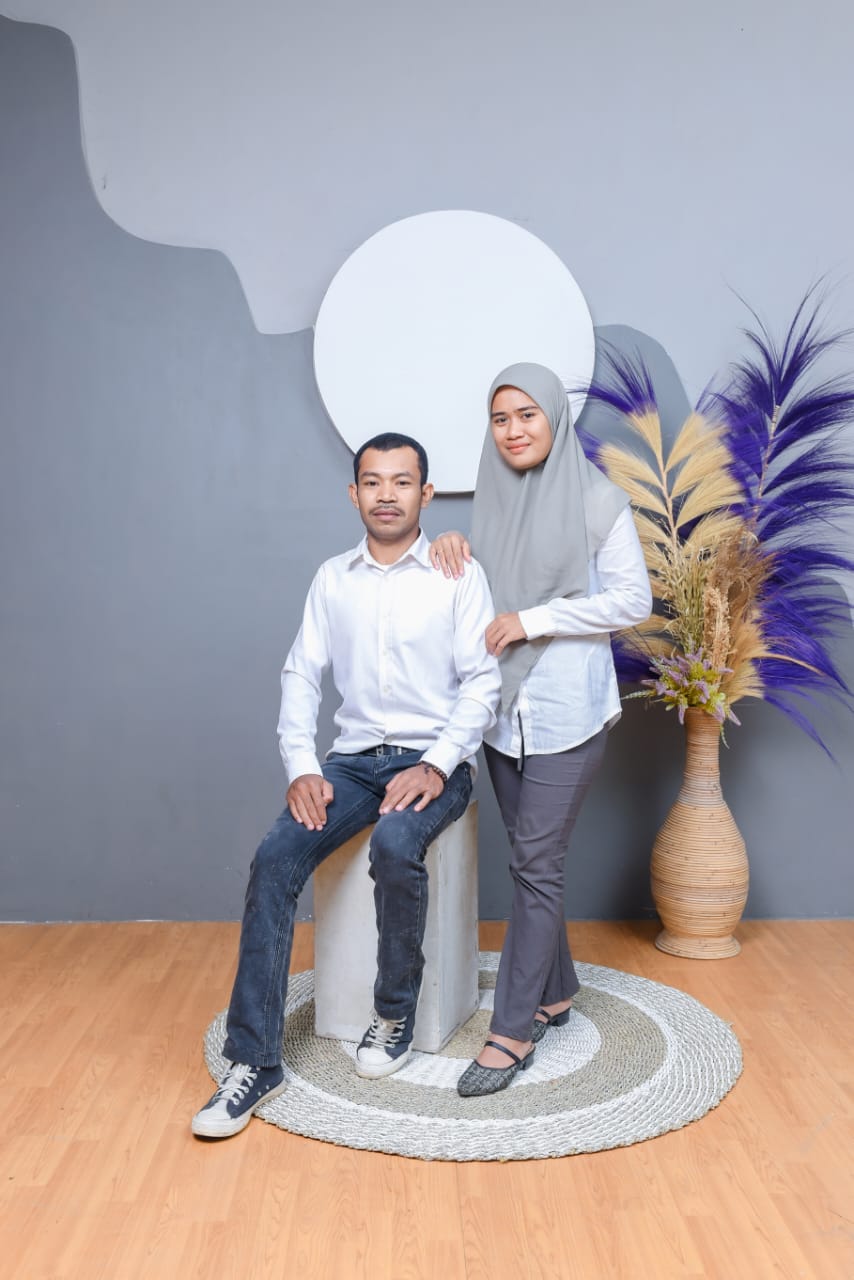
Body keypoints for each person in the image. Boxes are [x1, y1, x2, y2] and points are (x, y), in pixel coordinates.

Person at [192, 432, 500, 1138]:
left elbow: (482, 683)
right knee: (275, 858)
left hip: (437, 758)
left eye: (402, 481)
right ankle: (255, 1062)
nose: (386, 495)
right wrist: (302, 766)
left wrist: (436, 762)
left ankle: (393, 1014)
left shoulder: (457, 574)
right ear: (354, 493)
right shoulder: (332, 578)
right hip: (354, 762)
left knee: (395, 843)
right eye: (372, 481)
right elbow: (302, 674)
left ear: (426, 494)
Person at [430, 363, 652, 1097]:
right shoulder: (492, 500)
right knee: (533, 863)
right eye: (500, 419)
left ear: (555, 417)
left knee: (534, 863)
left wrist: (536, 619)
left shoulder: (598, 501)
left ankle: (512, 1032)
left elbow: (633, 601)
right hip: (501, 715)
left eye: (527, 414)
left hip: (567, 712)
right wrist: (451, 547)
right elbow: (476, 596)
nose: (514, 430)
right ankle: (556, 992)